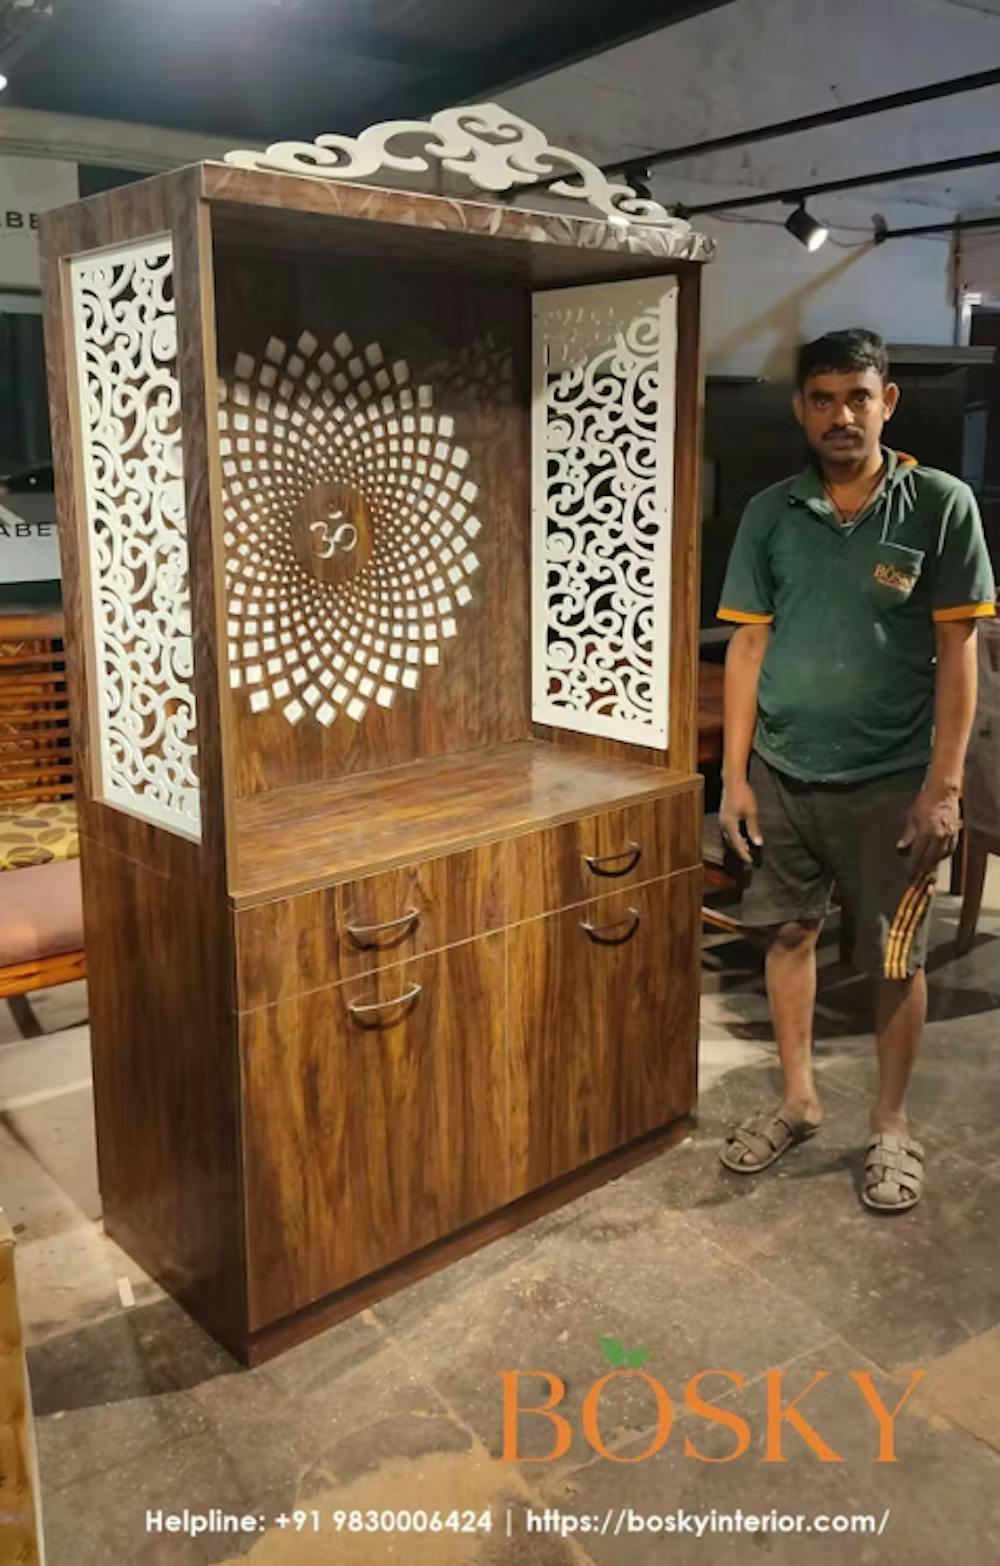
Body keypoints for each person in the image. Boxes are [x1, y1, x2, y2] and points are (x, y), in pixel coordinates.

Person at [716, 328, 995, 1211]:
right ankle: (798, 1101)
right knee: (790, 935)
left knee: (893, 957)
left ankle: (890, 1122)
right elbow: (748, 647)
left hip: (894, 783)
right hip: (786, 774)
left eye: (858, 396)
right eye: (824, 397)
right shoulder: (771, 513)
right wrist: (734, 777)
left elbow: (960, 652)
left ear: (888, 402)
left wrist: (945, 787)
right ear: (801, 407)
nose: (842, 414)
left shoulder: (940, 505)